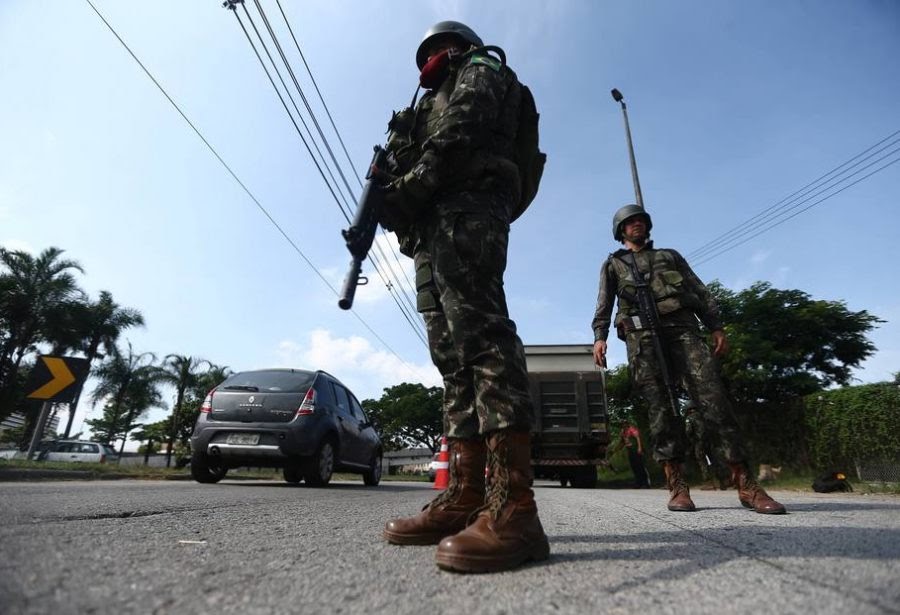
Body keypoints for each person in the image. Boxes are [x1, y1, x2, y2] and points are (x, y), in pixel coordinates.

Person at [378, 21, 549, 573]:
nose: (432, 60)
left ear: (458, 49)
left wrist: (407, 189)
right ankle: (465, 498)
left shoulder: (483, 69)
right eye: (425, 54)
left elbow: (462, 132)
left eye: (438, 51)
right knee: (452, 360)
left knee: (483, 341)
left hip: (468, 209)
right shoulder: (420, 109)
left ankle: (515, 508)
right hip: (431, 229)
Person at [591, 204, 785, 514]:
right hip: (642, 339)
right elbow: (604, 303)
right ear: (620, 230)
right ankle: (677, 485)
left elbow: (699, 290)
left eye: (640, 220)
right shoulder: (613, 265)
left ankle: (746, 484)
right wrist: (599, 337)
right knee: (659, 409)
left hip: (683, 330)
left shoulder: (669, 256)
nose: (637, 224)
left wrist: (716, 326)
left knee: (714, 399)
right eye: (630, 222)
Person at [607, 421, 651, 488]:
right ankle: (638, 483)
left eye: (625, 424)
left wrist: (639, 448)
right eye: (622, 424)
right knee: (634, 466)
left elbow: (638, 438)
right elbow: (622, 443)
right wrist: (614, 450)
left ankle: (645, 483)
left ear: (627, 424)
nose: (623, 425)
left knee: (640, 466)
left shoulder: (632, 429)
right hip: (630, 450)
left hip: (635, 448)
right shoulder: (623, 432)